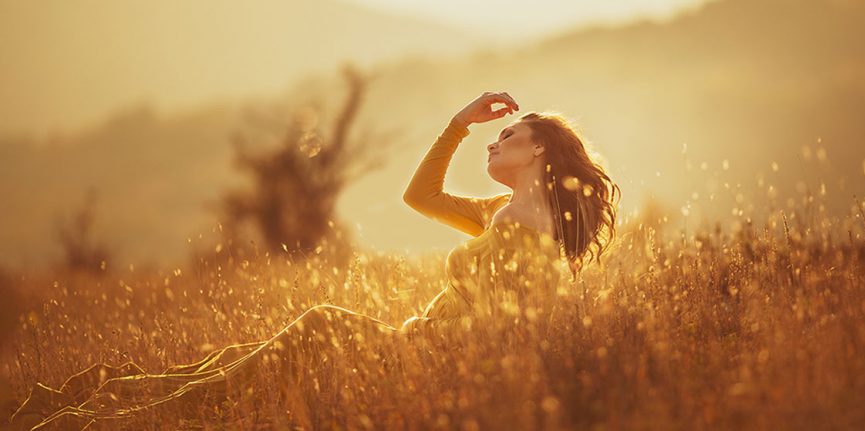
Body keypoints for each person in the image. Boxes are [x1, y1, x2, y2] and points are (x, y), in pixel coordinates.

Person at [9, 91, 620, 430]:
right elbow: (421, 198)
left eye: (507, 136)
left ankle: (95, 421)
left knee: (261, 364)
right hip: (404, 345)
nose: (494, 140)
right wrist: (457, 125)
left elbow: (506, 338)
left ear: (540, 148)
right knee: (231, 365)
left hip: (412, 360)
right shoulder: (498, 212)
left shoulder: (529, 236)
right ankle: (93, 399)